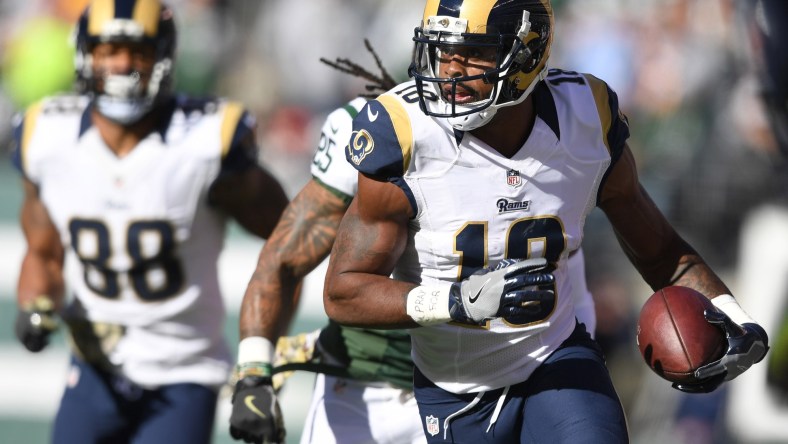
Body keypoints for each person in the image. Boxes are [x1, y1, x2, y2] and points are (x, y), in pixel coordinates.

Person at [322, 1, 770, 443]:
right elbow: (345, 290)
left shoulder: (585, 118)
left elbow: (660, 253)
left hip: (555, 357)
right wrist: (454, 302)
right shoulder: (406, 135)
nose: (452, 70)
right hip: (455, 390)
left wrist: (732, 314)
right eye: (443, 50)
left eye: (474, 51)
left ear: (526, 53)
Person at [227, 39, 599, 444]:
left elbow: (571, 293)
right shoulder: (386, 140)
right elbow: (286, 259)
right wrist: (253, 371)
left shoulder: (544, 152)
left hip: (483, 391)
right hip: (364, 386)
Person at [11, 1, 289, 443]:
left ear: (163, 54)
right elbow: (43, 253)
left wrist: (263, 362)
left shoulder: (206, 139)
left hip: (184, 371)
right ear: (86, 54)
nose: (122, 63)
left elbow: (290, 248)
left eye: (137, 49)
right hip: (94, 368)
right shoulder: (45, 136)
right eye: (109, 49)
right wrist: (36, 304)